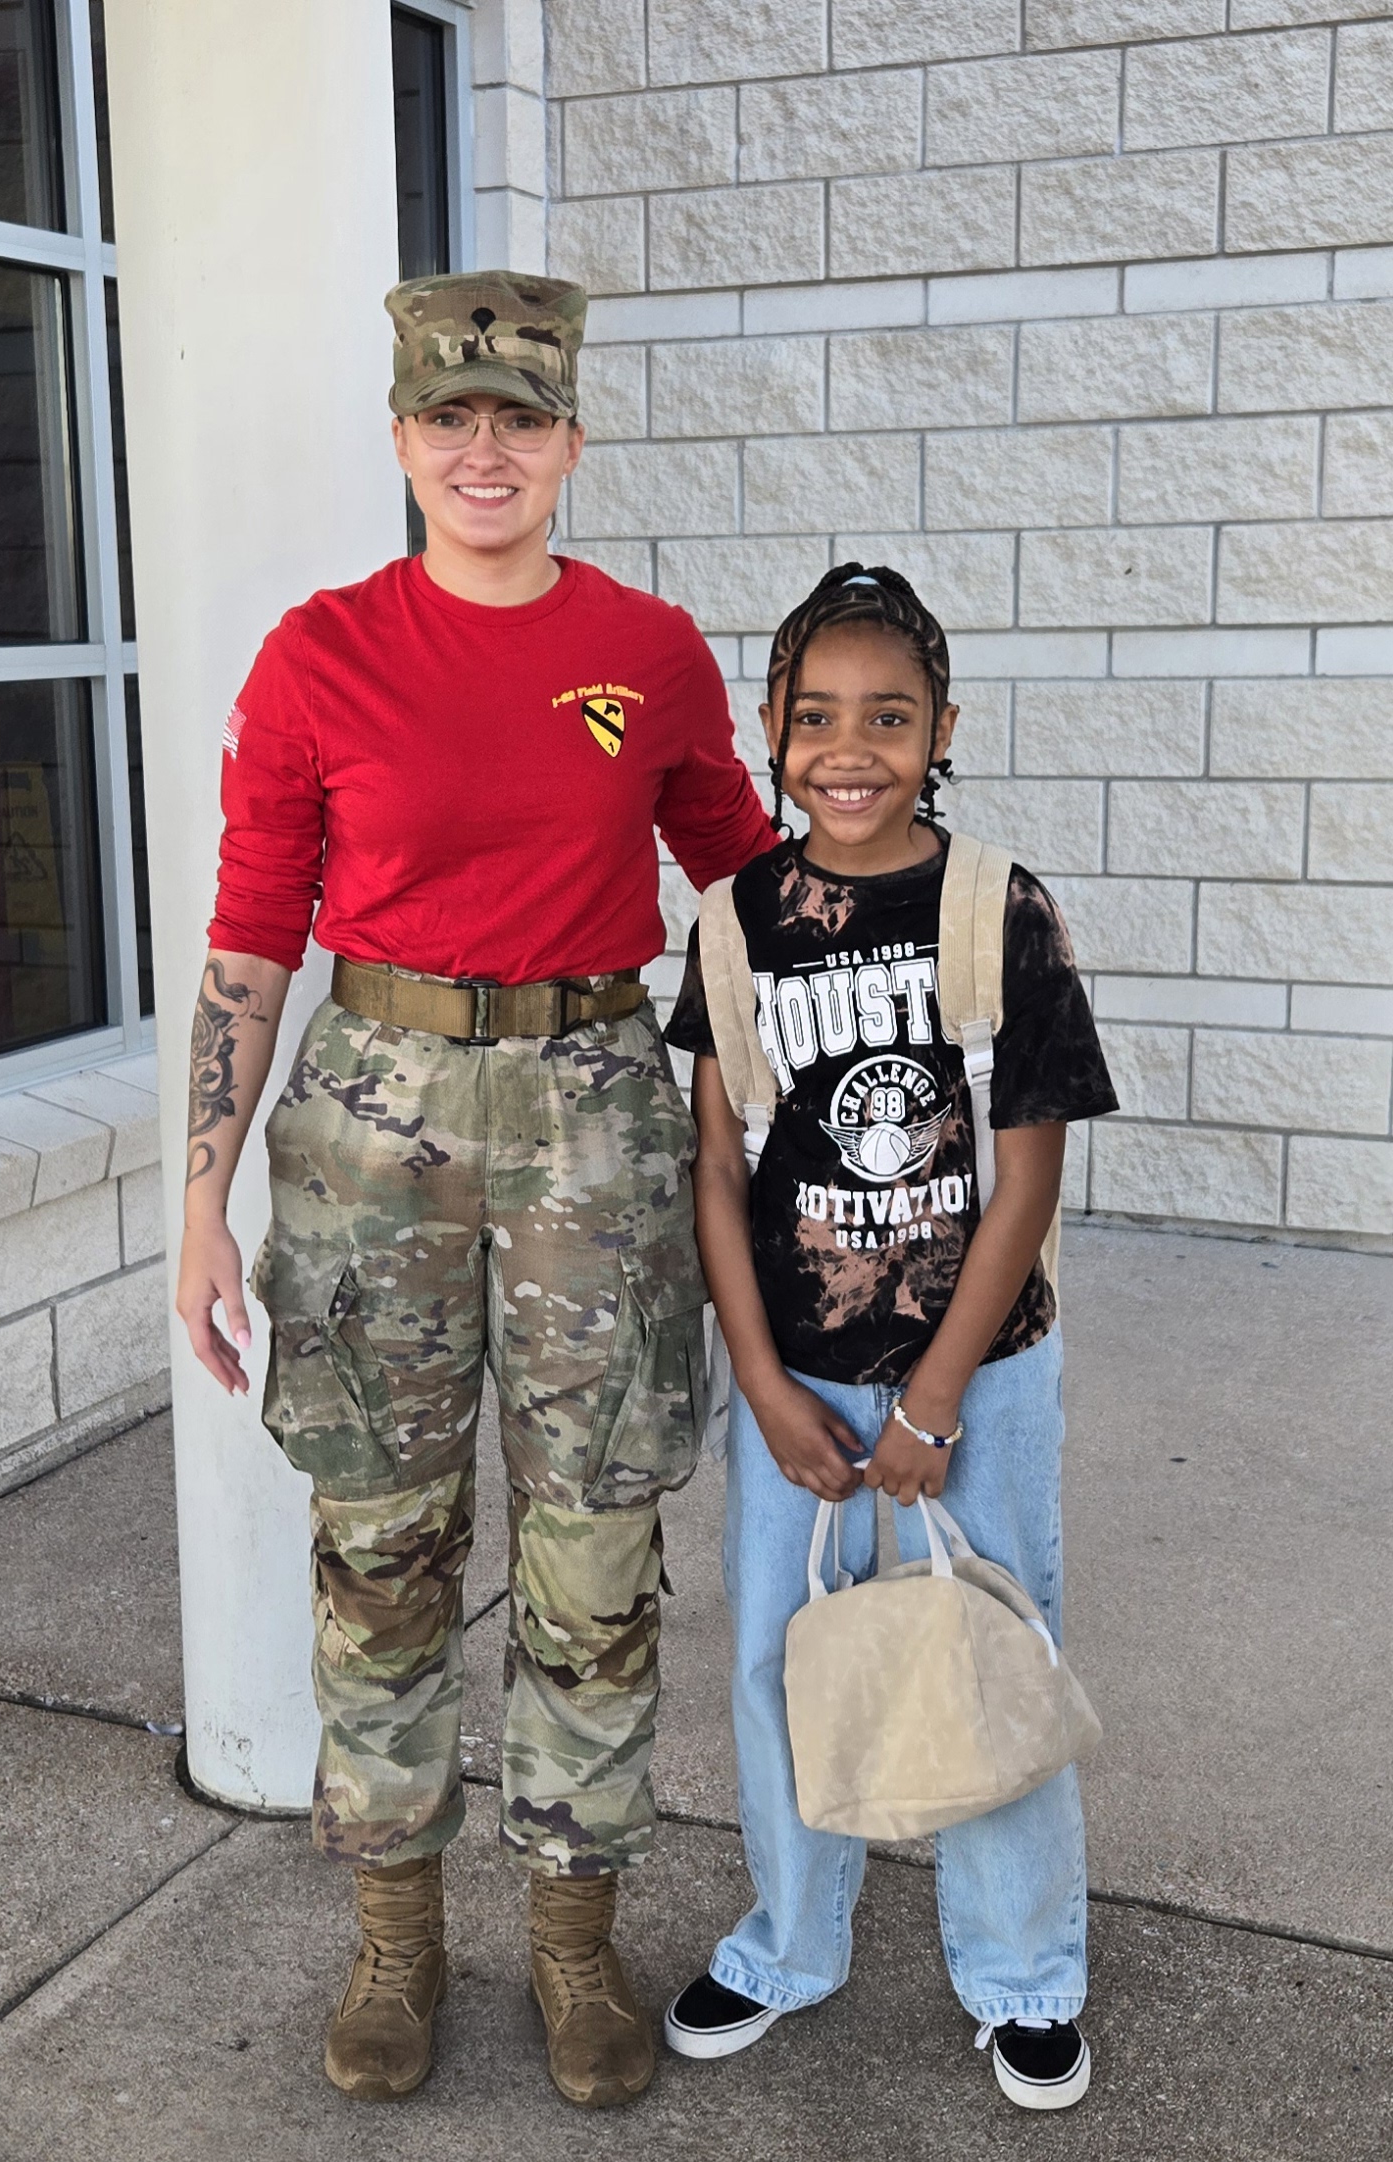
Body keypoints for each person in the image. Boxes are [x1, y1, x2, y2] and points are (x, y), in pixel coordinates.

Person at [174, 269, 776, 2110]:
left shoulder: (651, 651)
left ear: (572, 442)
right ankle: (397, 1935)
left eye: (520, 418)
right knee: (382, 1539)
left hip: (597, 1112)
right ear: (404, 440)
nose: (485, 448)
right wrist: (196, 1200)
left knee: (595, 1535)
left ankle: (577, 1942)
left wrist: (892, 1020)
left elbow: (748, 885)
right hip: (373, 1123)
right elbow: (252, 935)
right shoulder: (319, 656)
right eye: (453, 417)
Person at [660, 563, 1118, 2110]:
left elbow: (1034, 1161)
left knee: (991, 1636)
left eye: (888, 716)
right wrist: (762, 1381)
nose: (848, 748)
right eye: (814, 716)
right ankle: (794, 1938)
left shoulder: (999, 904)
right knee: (782, 1662)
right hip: (795, 1374)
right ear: (770, 731)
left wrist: (931, 1396)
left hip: (979, 1367)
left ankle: (1024, 1968)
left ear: (940, 730)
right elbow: (719, 1166)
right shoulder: (733, 926)